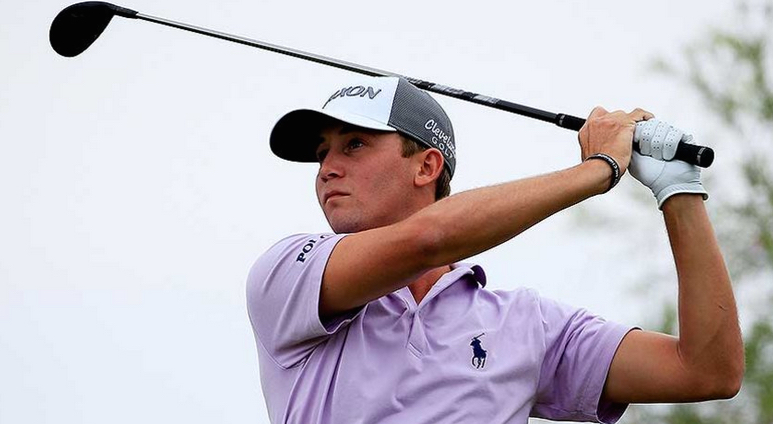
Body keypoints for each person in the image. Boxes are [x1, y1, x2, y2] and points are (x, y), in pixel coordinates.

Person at [246, 76, 744, 423]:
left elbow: (707, 371)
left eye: (353, 144)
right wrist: (597, 170)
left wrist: (679, 193)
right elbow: (429, 237)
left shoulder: (526, 326)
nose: (328, 167)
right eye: (321, 153)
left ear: (426, 167)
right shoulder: (290, 274)